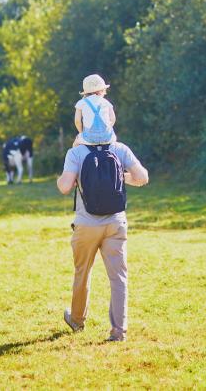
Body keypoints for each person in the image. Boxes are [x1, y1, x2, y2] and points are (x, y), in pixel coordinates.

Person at [57, 139, 149, 342]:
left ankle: (77, 320)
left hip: (86, 225)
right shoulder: (120, 149)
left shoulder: (76, 153)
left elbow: (64, 187)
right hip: (116, 223)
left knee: (83, 272)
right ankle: (118, 331)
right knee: (119, 277)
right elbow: (142, 177)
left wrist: (68, 177)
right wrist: (117, 177)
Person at [73, 74, 117, 147]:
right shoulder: (106, 102)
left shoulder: (81, 103)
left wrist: (82, 133)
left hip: (89, 139)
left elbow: (77, 121)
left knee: (75, 146)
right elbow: (113, 119)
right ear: (102, 90)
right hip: (108, 138)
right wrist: (105, 130)